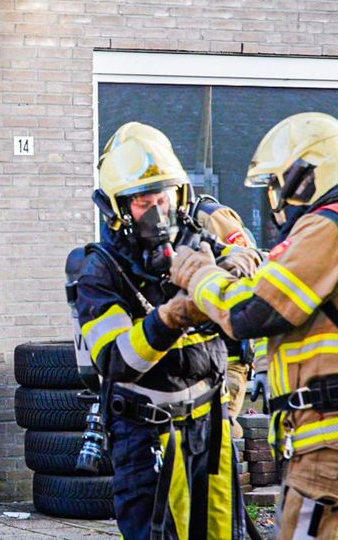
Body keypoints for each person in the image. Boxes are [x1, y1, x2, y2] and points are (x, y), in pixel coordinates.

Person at [170, 112, 338, 539]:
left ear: (305, 178)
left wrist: (198, 274)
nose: (277, 200)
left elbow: (250, 313)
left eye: (278, 184)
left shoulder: (332, 225)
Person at [75, 122, 260, 540]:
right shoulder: (102, 270)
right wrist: (170, 318)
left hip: (211, 426)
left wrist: (230, 269)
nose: (157, 211)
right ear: (118, 209)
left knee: (222, 532)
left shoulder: (200, 244)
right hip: (145, 435)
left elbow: (251, 260)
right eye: (142, 201)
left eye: (163, 196)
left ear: (180, 195)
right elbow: (117, 360)